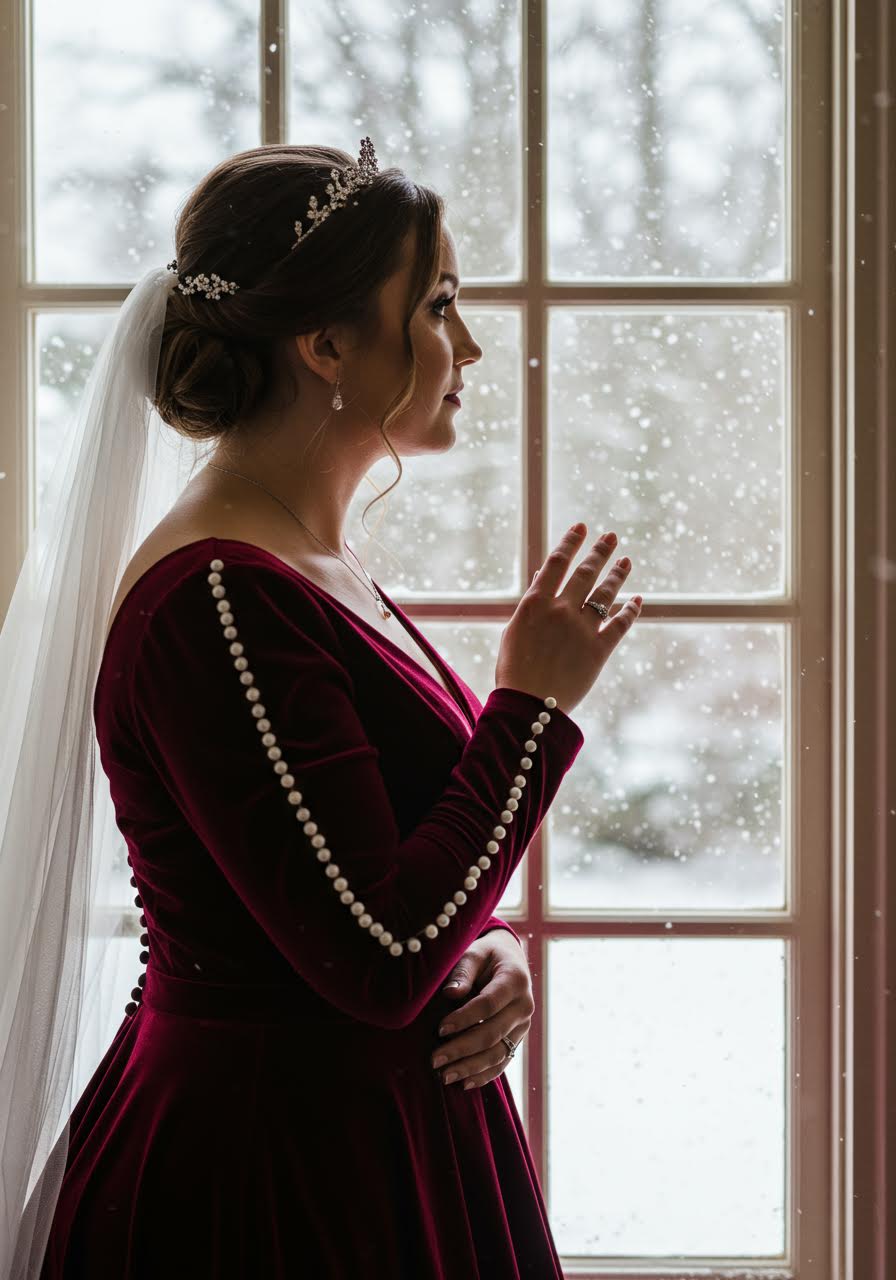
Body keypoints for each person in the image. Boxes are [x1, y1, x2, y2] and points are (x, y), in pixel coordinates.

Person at [2, 140, 642, 1277]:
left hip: (370, 1141)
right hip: (272, 1177)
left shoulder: (303, 566)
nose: (471, 345)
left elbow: (360, 879)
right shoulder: (219, 598)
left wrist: (485, 947)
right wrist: (531, 706)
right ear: (326, 342)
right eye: (439, 303)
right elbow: (379, 951)